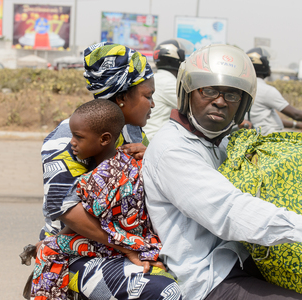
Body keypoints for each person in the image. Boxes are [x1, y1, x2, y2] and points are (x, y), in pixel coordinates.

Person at [142, 44, 302, 300]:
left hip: (246, 259)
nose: (220, 101)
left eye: (232, 95)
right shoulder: (173, 150)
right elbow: (229, 211)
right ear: (187, 93)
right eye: (208, 90)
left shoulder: (226, 141)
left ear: (243, 104)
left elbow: (285, 181)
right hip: (207, 277)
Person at [37, 42, 182, 300]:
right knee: (167, 292)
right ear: (122, 97)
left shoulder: (131, 132)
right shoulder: (67, 140)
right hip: (77, 251)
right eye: (148, 96)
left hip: (123, 242)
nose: (153, 105)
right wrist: (129, 248)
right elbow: (67, 212)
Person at [31, 99, 164, 300]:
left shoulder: (97, 178)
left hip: (124, 242)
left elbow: (79, 220)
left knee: (48, 250)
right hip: (143, 238)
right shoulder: (128, 158)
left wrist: (52, 240)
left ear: (104, 139)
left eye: (78, 137)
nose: (71, 142)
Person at [245, 47, 302, 161]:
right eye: (268, 63)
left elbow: (262, 118)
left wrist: (298, 126)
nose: (270, 67)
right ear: (263, 65)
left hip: (260, 136)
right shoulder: (266, 90)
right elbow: (296, 114)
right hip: (273, 138)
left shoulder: (247, 87)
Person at [143, 38, 194, 141]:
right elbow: (193, 107)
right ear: (178, 60)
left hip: (147, 137)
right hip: (155, 139)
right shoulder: (168, 83)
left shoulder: (155, 78)